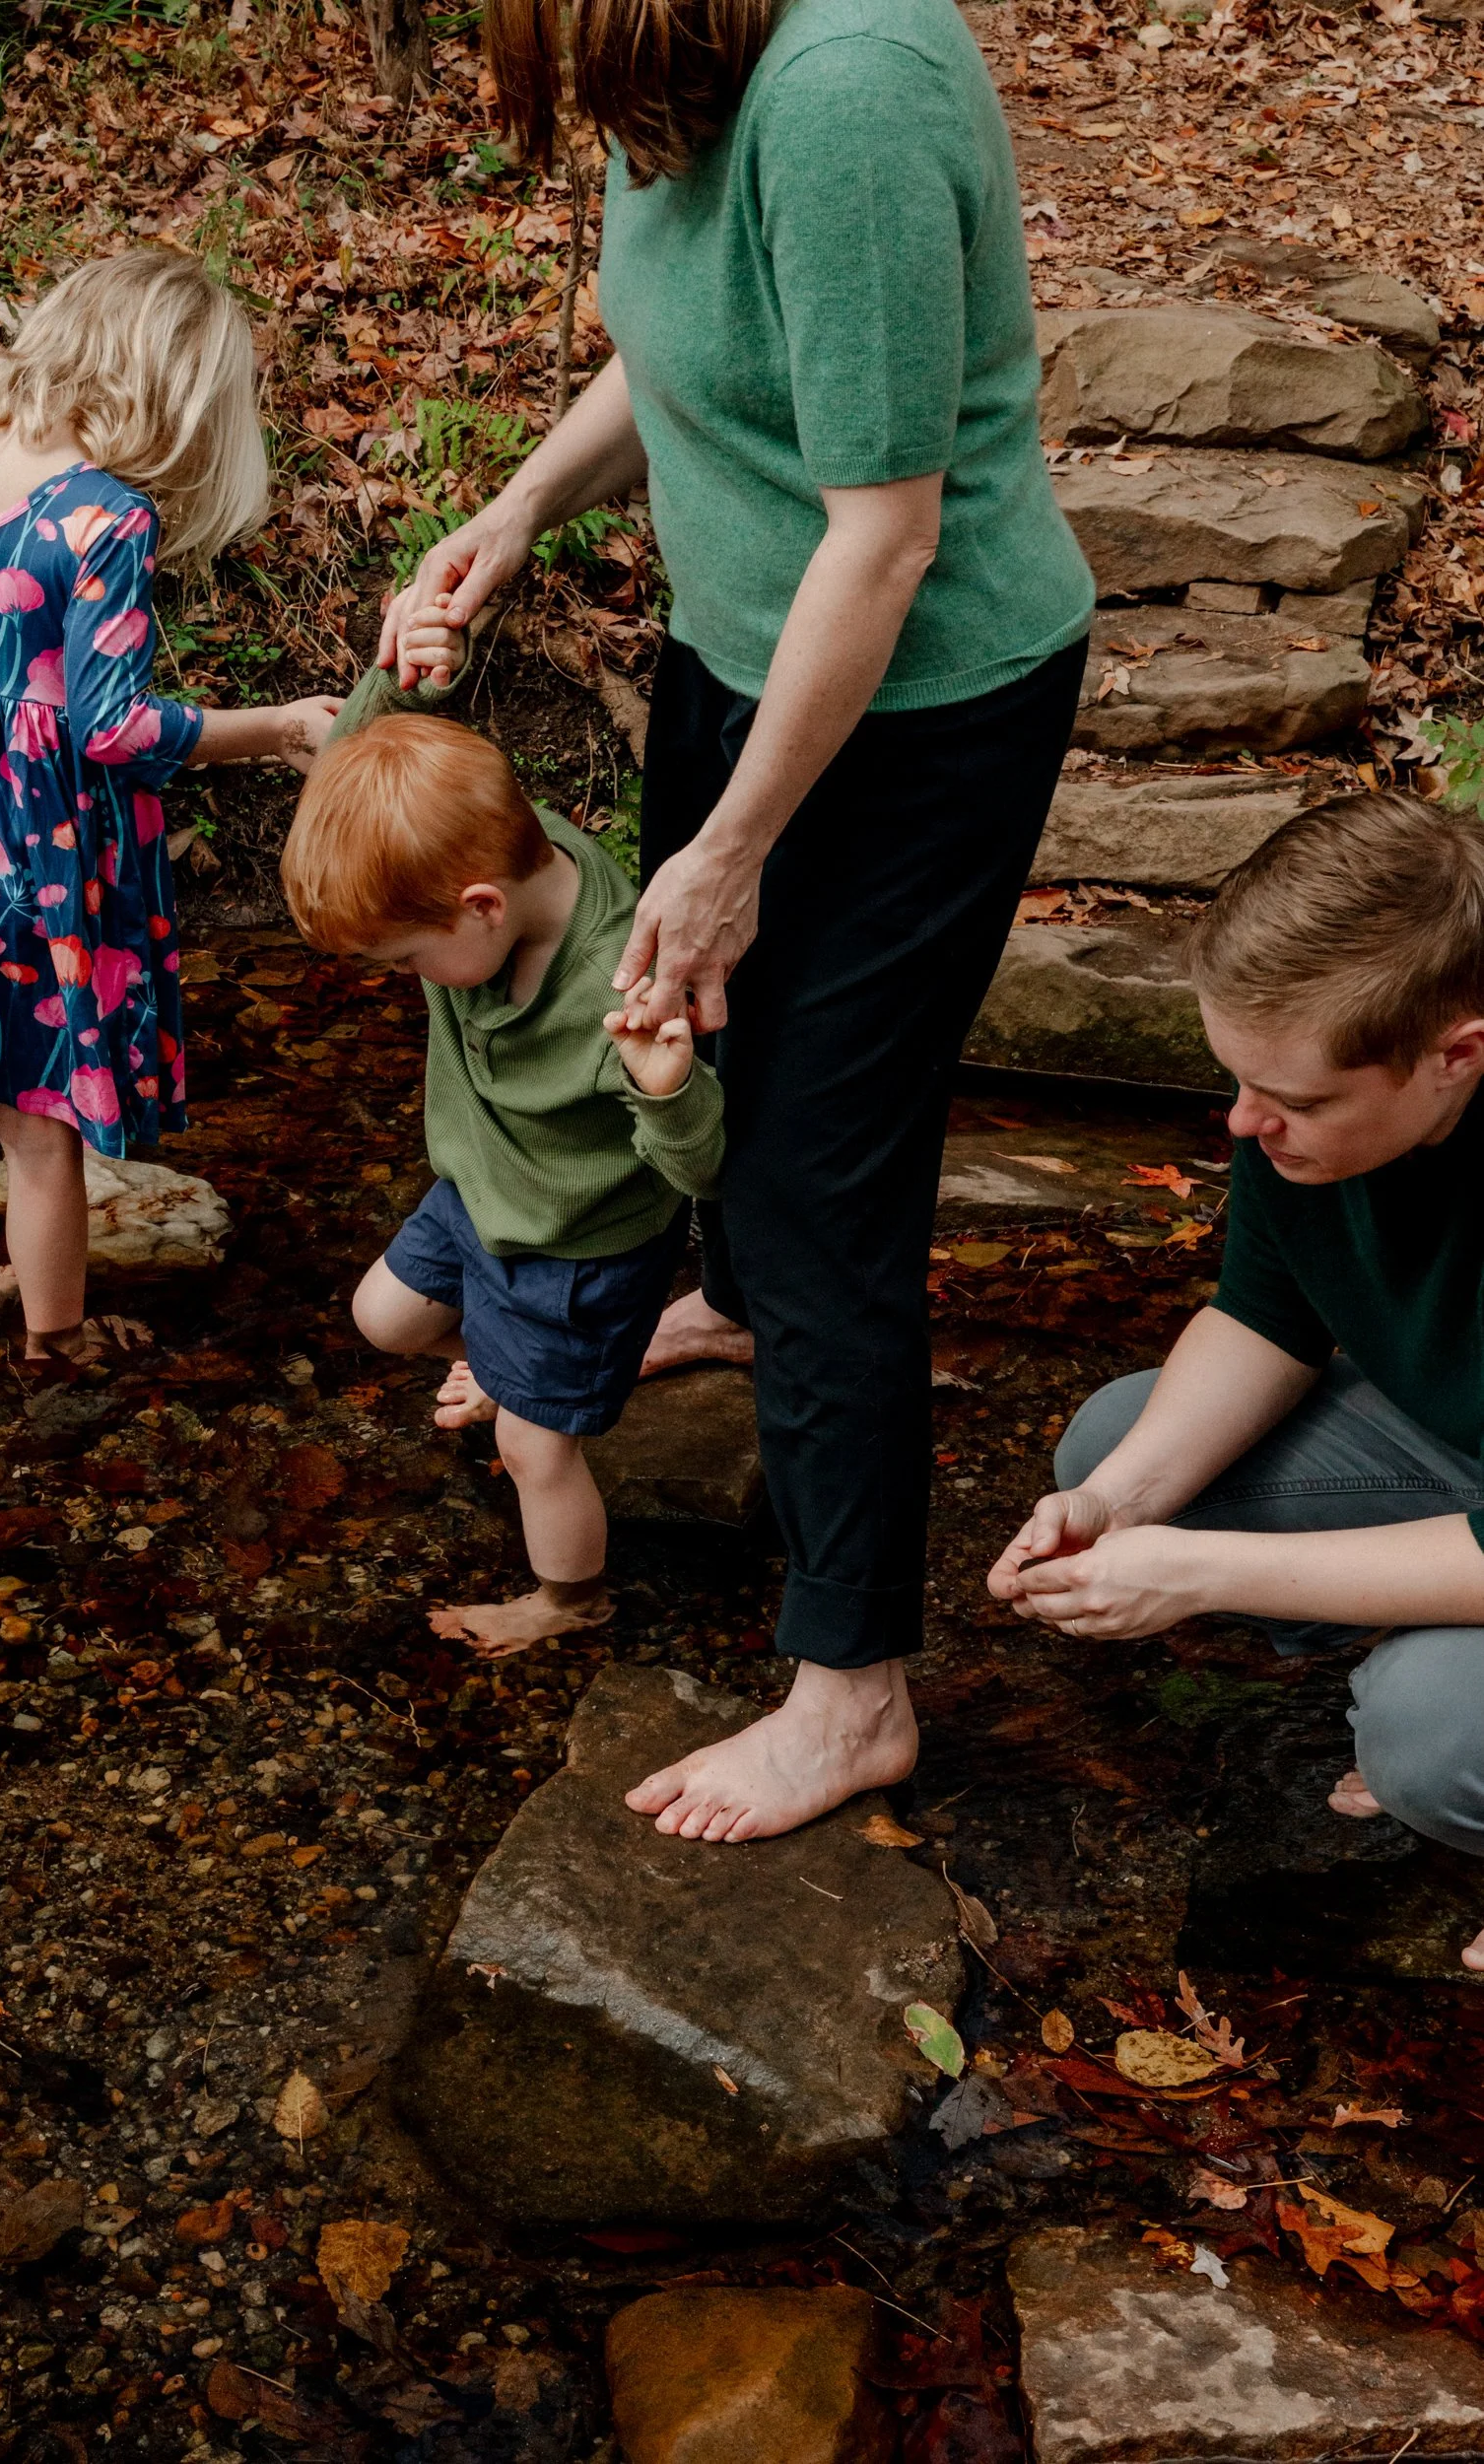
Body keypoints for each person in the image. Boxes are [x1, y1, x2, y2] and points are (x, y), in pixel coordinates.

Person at [375, 0, 1095, 1840]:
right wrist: (525, 505)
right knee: (693, 1037)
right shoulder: (686, 61)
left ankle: (850, 1687)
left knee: (816, 1174)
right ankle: (728, 1301)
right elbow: (683, 350)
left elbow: (890, 533)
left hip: (913, 705)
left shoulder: (843, 89)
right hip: (739, 652)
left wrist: (735, 846)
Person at [989, 791, 1484, 1970]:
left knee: (1427, 1738)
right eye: (1234, 1077)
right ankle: (1419, 1631)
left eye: (1296, 1100)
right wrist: (1119, 1507)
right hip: (1453, 1446)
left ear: (1453, 1052)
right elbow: (1264, 1317)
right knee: (1114, 1444)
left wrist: (1197, 1572)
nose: (1241, 1120)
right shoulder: (1287, 1111)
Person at [0, 250, 341, 1370]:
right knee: (39, 1126)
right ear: (165, 385)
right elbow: (111, 729)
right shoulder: (103, 519)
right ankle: (56, 1340)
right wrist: (275, 727)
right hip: (35, 862)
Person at [280, 709, 724, 1657]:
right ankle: (499, 1365)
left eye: (403, 960)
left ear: (481, 906)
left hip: (575, 1247)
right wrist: (403, 661)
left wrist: (669, 1088)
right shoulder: (503, 839)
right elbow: (367, 754)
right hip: (482, 1191)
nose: (404, 980)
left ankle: (572, 1597)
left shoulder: (619, 992)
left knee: (531, 1448)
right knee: (384, 1318)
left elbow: (702, 1172)